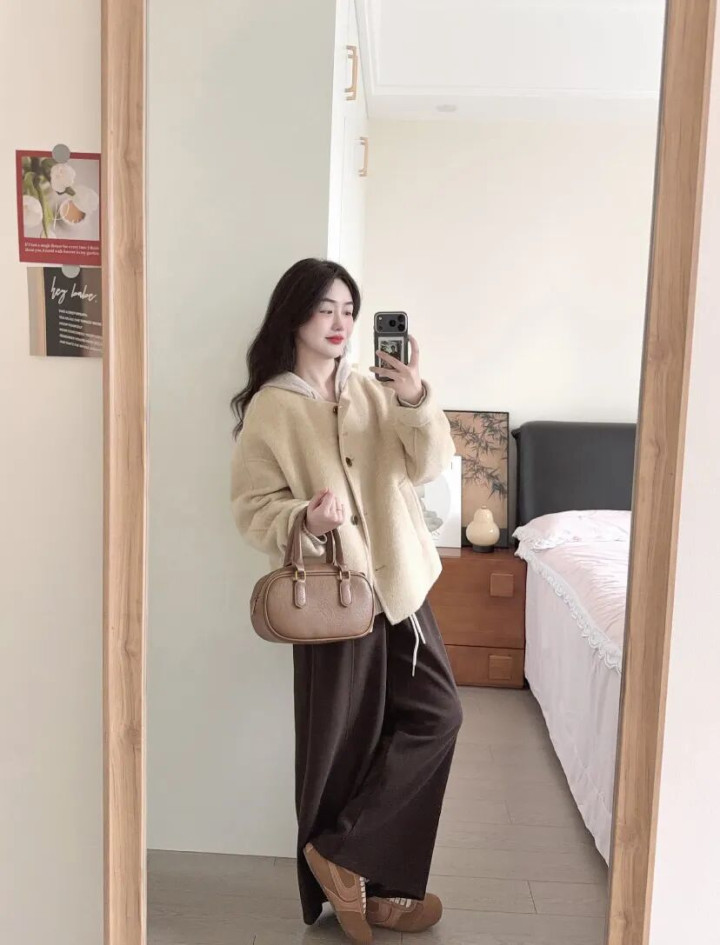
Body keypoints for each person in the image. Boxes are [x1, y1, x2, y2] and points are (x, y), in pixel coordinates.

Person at [230, 258, 463, 944]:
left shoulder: (374, 388)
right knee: (344, 744)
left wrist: (415, 397)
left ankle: (348, 856)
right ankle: (376, 891)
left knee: (438, 716)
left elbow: (428, 465)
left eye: (349, 310)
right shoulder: (272, 407)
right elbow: (252, 509)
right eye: (326, 308)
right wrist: (304, 519)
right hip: (335, 597)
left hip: (402, 586)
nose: (340, 322)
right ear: (295, 314)